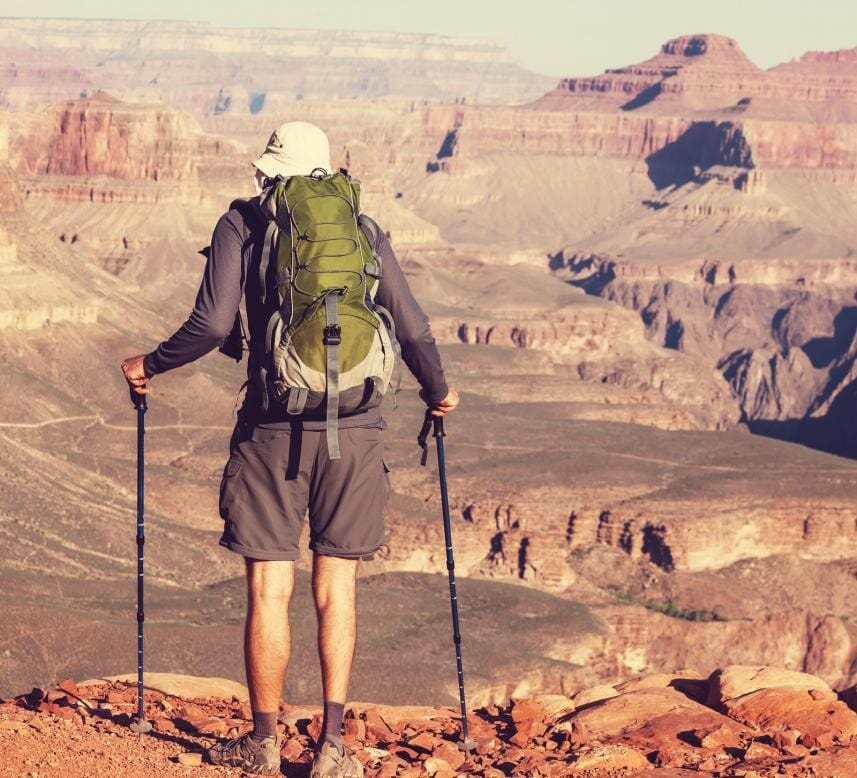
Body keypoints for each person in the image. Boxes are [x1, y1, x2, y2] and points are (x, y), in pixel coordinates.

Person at [121, 121, 459, 777]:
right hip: (356, 428)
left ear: (268, 171)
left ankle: (264, 741)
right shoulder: (362, 229)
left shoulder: (241, 224)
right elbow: (412, 327)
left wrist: (150, 365)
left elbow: (211, 325)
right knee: (337, 590)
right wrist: (438, 391)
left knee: (269, 589)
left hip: (271, 427)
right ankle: (333, 748)